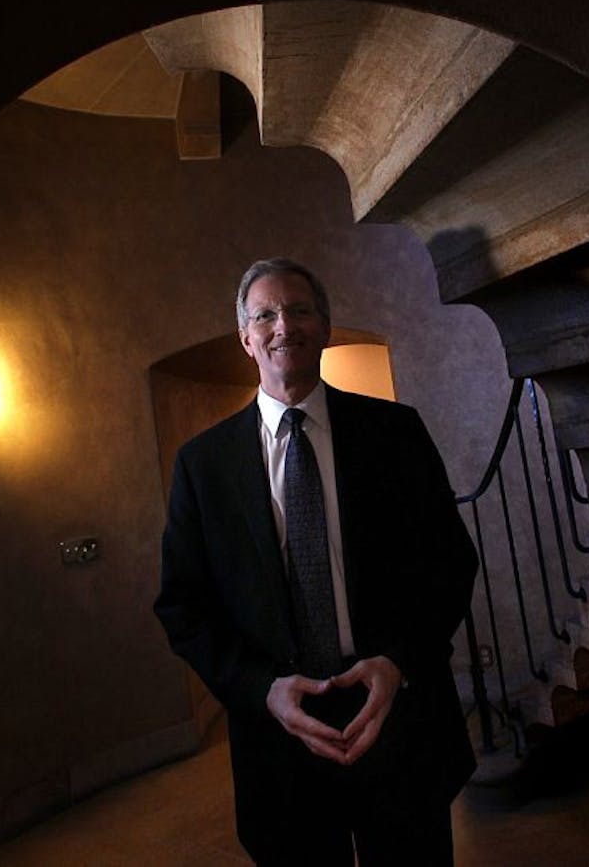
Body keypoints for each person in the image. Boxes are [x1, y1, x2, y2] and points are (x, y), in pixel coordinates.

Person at [154, 257, 478, 865]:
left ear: (325, 326)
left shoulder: (396, 432)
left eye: (300, 310)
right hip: (280, 739)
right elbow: (183, 605)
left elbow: (449, 563)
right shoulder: (203, 465)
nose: (285, 325)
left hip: (397, 717)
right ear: (246, 339)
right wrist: (262, 691)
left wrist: (401, 662)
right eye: (266, 314)